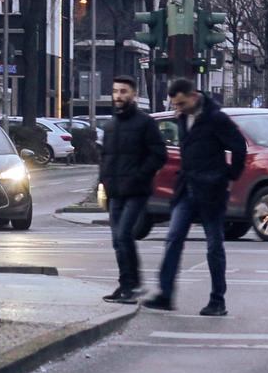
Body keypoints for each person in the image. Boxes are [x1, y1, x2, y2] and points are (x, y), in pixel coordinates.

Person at [142, 78, 246, 317]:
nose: (177, 108)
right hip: (186, 188)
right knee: (174, 238)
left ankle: (217, 300)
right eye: (174, 104)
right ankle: (165, 294)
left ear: (192, 96)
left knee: (214, 245)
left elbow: (239, 146)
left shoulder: (216, 118)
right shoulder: (182, 118)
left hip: (211, 190)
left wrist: (230, 175)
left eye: (180, 103)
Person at [98, 76, 167, 303]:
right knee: (117, 240)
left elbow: (159, 154)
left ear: (134, 95)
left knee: (124, 235)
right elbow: (106, 158)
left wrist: (139, 176)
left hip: (136, 191)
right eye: (115, 91)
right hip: (115, 192)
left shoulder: (145, 123)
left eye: (123, 91)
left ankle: (133, 285)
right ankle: (126, 284)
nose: (118, 96)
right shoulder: (110, 125)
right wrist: (102, 183)